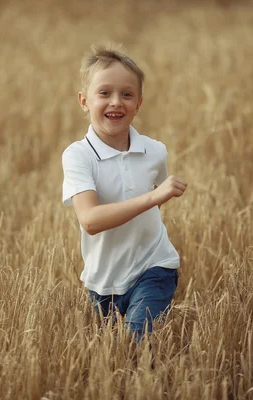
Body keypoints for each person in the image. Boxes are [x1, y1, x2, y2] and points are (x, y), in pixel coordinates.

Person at [61, 43, 188, 341]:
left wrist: (152, 202)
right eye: (104, 93)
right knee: (112, 357)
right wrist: (154, 198)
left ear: (139, 103)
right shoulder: (78, 156)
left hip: (154, 267)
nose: (116, 102)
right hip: (102, 280)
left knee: (135, 342)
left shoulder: (155, 151)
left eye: (127, 94)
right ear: (84, 101)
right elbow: (89, 221)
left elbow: (150, 206)